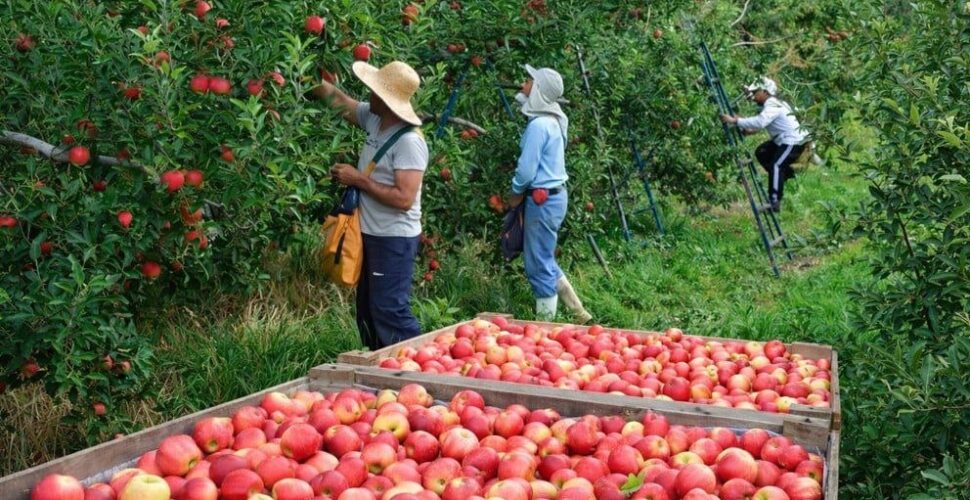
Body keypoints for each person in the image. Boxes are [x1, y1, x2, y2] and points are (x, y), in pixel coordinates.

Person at [312, 60, 429, 350]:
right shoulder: (376, 120)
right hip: (370, 235)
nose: (369, 95)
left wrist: (359, 179)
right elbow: (342, 103)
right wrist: (305, 79)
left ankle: (419, 373)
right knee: (367, 311)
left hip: (394, 238)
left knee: (390, 311)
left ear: (388, 101)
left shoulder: (409, 142)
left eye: (375, 91)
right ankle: (380, 374)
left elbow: (404, 198)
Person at [508, 65, 592, 323]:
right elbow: (524, 100)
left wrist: (515, 192)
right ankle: (579, 312)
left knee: (537, 264)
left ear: (539, 91)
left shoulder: (539, 125)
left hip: (541, 199)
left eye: (529, 81)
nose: (524, 83)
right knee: (543, 256)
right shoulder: (555, 119)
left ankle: (544, 328)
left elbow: (526, 169)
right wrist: (525, 94)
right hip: (555, 197)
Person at [721, 76, 809, 212]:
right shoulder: (772, 104)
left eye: (756, 92)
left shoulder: (772, 104)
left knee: (776, 165)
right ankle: (785, 174)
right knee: (762, 152)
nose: (753, 96)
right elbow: (766, 123)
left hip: (793, 140)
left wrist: (735, 121)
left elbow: (761, 121)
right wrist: (749, 131)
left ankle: (774, 201)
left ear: (765, 92)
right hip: (783, 139)